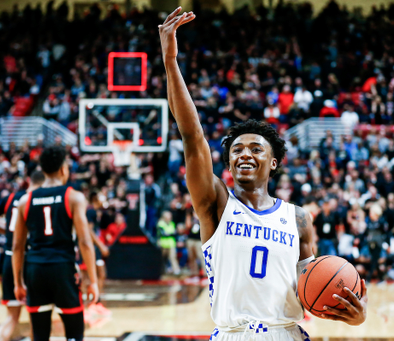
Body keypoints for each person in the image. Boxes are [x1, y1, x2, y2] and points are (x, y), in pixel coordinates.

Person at [158, 8, 368, 340]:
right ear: (227, 164)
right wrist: (171, 62)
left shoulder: (298, 219)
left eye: (256, 149)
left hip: (286, 333)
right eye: (236, 150)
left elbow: (310, 289)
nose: (245, 153)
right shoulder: (216, 202)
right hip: (234, 334)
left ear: (273, 163)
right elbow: (192, 136)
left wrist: (351, 314)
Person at [11, 146, 99, 341]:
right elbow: (85, 242)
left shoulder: (26, 201)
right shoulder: (73, 197)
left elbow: (17, 246)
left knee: (40, 336)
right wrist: (92, 281)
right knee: (74, 334)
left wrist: (18, 282)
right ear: (63, 169)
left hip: (35, 270)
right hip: (62, 269)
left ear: (42, 170)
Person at [0, 170, 45, 341]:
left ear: (28, 181)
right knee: (35, 319)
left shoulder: (11, 198)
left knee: (11, 318)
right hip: (31, 260)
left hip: (9, 260)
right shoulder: (41, 199)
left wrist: (5, 231)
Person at [84, 192, 111, 317]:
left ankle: (95, 302)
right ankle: (92, 303)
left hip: (94, 248)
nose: (103, 198)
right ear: (95, 198)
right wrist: (101, 245)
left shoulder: (96, 212)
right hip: (92, 248)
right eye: (101, 196)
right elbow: (88, 231)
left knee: (100, 274)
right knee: (97, 274)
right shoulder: (91, 212)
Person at [157, 210, 181, 275]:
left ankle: (176, 270)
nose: (170, 217)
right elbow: (163, 233)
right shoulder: (160, 223)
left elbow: (175, 233)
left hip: (171, 244)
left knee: (173, 257)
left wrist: (170, 233)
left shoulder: (172, 223)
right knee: (162, 259)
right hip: (163, 244)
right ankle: (161, 270)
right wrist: (171, 233)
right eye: (168, 216)